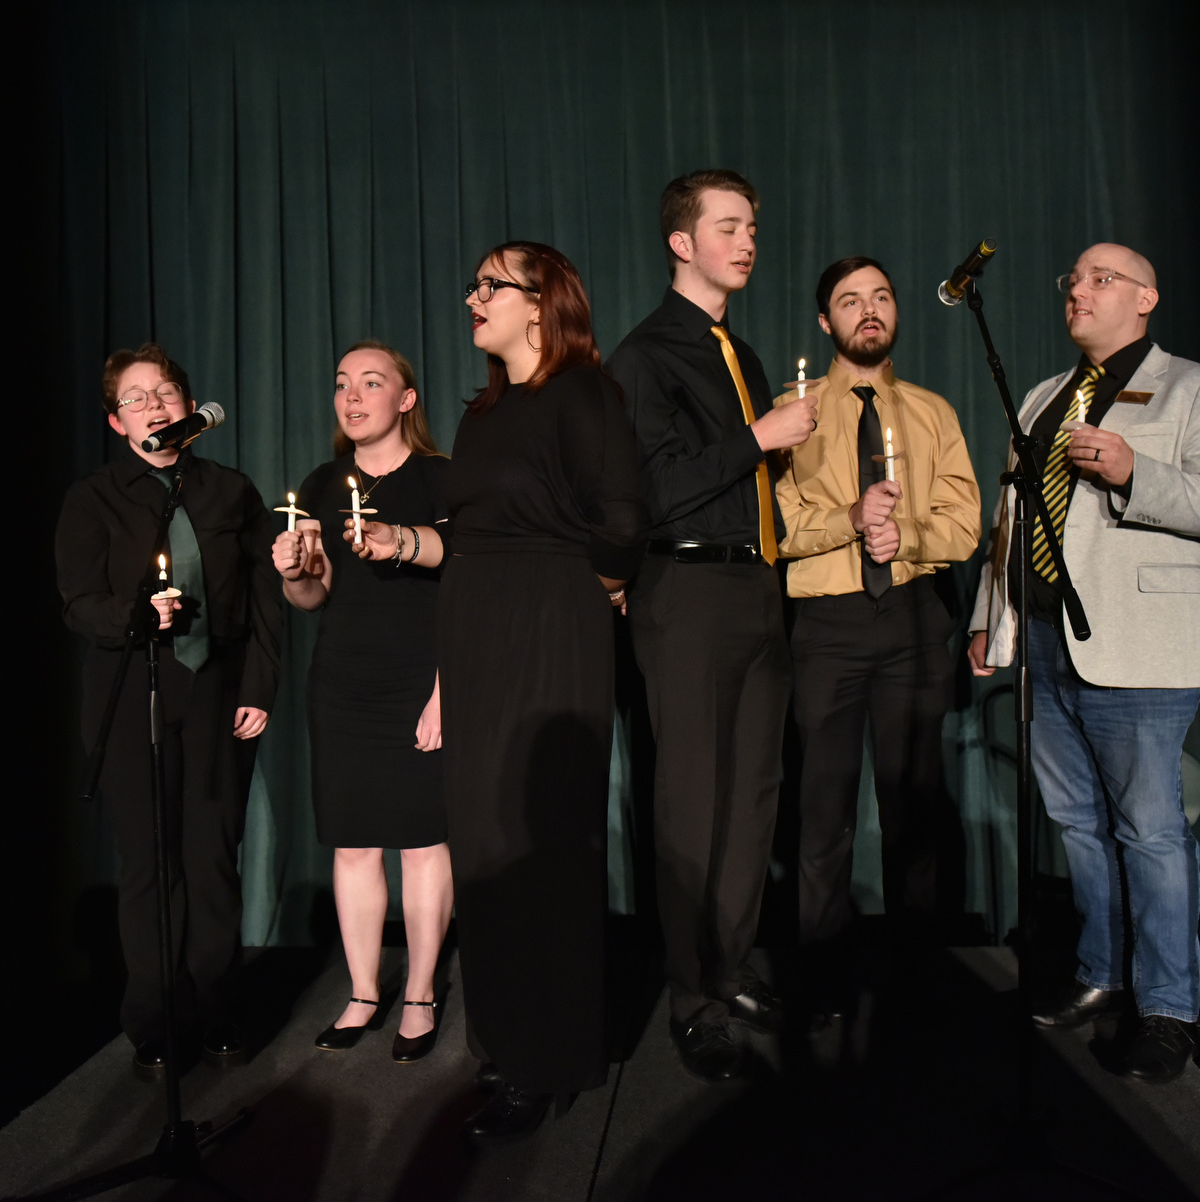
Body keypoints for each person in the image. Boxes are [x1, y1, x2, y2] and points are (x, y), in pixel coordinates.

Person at [356, 241, 646, 1138]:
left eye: (490, 284)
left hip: (551, 633)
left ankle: (550, 1059)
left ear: (540, 303)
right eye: (473, 281)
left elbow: (623, 523)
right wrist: (403, 544)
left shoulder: (586, 393)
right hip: (476, 637)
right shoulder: (482, 415)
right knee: (482, 842)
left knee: (544, 842)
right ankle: (503, 1046)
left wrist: (572, 596)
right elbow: (470, 540)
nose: (471, 296)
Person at [967, 244, 1200, 1082]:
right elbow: (1009, 519)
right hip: (1048, 641)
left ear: (1146, 298)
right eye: (1072, 281)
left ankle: (1167, 1010)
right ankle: (1101, 974)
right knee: (1079, 828)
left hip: (1136, 646)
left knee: (1151, 833)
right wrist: (994, 618)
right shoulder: (1043, 396)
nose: (1079, 292)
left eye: (1101, 279)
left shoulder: (1195, 387)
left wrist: (1138, 471)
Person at [604, 169, 817, 1082]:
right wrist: (761, 439)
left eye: (754, 227)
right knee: (693, 801)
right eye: (729, 226)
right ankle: (691, 999)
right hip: (684, 592)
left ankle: (728, 970)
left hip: (756, 589)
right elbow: (648, 492)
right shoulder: (645, 355)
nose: (749, 241)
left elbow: (751, 484)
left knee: (754, 799)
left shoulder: (744, 353)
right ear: (681, 243)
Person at [55, 342, 282, 1078]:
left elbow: (264, 601)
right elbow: (78, 602)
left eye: (167, 391)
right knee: (152, 864)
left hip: (217, 691)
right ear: (116, 421)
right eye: (137, 397)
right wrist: (133, 615)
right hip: (133, 694)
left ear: (190, 404)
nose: (155, 404)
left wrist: (258, 686)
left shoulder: (230, 491)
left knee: (211, 858)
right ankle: (155, 1017)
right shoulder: (94, 498)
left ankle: (217, 1005)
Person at [771, 257, 982, 1021]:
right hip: (826, 625)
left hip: (913, 619)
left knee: (913, 809)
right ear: (825, 322)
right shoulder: (791, 414)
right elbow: (778, 528)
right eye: (850, 301)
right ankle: (822, 979)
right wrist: (850, 521)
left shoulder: (932, 412)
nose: (869, 310)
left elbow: (964, 524)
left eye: (882, 297)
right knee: (822, 811)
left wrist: (908, 535)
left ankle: (918, 981)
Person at [272, 341, 453, 1064]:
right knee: (353, 843)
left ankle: (421, 994)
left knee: (421, 842)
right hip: (343, 683)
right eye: (343, 382)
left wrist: (447, 692)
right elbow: (312, 598)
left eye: (371, 383)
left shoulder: (444, 480)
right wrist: (296, 572)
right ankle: (363, 991)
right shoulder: (320, 484)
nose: (352, 396)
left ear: (406, 400)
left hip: (421, 680)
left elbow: (467, 593)